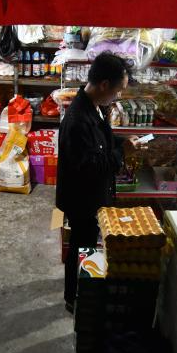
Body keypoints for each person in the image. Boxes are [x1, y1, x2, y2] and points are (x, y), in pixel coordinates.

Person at [56, 53, 143, 312]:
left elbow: (103, 141)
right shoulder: (77, 121)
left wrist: (123, 143)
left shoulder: (94, 106)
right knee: (80, 245)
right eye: (117, 90)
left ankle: (81, 285)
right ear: (104, 85)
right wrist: (122, 153)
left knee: (85, 242)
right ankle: (73, 297)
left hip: (91, 194)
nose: (118, 96)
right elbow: (92, 168)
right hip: (81, 198)